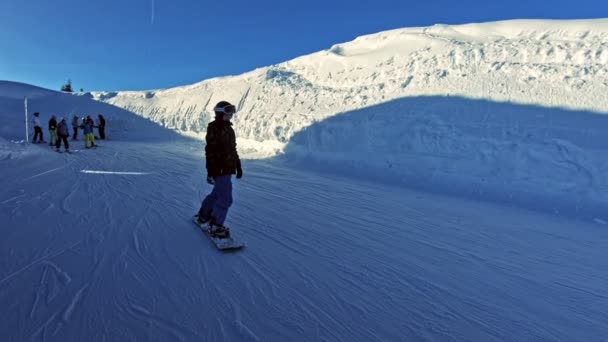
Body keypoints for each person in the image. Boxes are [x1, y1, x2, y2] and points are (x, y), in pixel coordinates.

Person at [196, 101, 243, 239]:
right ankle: (216, 226)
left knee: (217, 194)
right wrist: (210, 171)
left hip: (228, 169)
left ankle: (204, 215)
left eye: (232, 112)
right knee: (226, 199)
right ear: (220, 112)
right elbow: (209, 151)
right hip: (219, 169)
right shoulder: (213, 128)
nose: (231, 115)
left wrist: (238, 165)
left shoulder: (229, 129)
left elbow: (233, 149)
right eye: (228, 112)